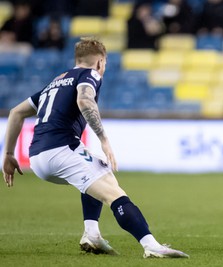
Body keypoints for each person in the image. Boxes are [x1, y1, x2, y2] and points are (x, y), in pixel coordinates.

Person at [2, 37, 189, 259]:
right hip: (62, 149)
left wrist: (9, 153)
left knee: (97, 172)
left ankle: (92, 234)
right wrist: (104, 139)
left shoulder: (56, 81)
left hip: (38, 157)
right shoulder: (89, 74)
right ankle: (151, 245)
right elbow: (84, 100)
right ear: (100, 62)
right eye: (105, 63)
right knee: (114, 192)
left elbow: (16, 112)